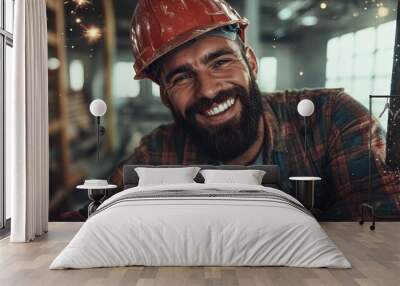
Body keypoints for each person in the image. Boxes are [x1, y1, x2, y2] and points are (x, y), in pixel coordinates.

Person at [109, 0, 400, 219]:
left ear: (251, 62)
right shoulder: (156, 154)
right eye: (181, 77)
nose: (209, 90)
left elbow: (382, 233)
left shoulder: (333, 120)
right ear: (165, 97)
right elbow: (89, 220)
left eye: (220, 62)